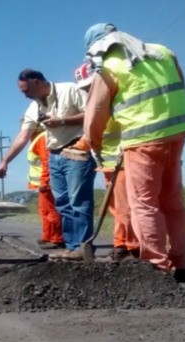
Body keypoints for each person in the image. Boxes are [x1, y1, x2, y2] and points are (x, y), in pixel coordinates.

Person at [81, 23, 185, 281]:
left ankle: (157, 267)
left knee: (144, 205)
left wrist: (94, 145)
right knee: (172, 202)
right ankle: (181, 263)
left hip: (142, 138)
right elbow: (182, 87)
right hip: (177, 131)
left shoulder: (109, 66)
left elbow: (95, 114)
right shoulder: (162, 51)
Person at [0, 69, 95, 261]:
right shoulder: (34, 108)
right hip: (54, 155)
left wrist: (63, 120)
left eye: (26, 90)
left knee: (78, 202)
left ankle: (84, 247)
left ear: (37, 81)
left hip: (77, 150)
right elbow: (23, 137)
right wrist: (5, 161)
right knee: (63, 203)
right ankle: (73, 248)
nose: (25, 95)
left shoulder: (69, 90)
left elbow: (92, 112)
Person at [73, 61, 140, 262]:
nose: (88, 91)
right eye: (84, 88)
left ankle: (131, 246)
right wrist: (80, 145)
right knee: (117, 208)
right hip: (109, 164)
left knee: (127, 207)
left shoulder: (119, 100)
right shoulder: (96, 104)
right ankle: (123, 244)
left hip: (126, 160)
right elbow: (93, 131)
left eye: (90, 86)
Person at [26, 130, 64, 249]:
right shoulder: (38, 139)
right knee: (44, 211)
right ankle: (48, 236)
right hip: (44, 183)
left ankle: (56, 238)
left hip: (47, 183)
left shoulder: (42, 138)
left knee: (50, 211)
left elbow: (47, 161)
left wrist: (44, 180)